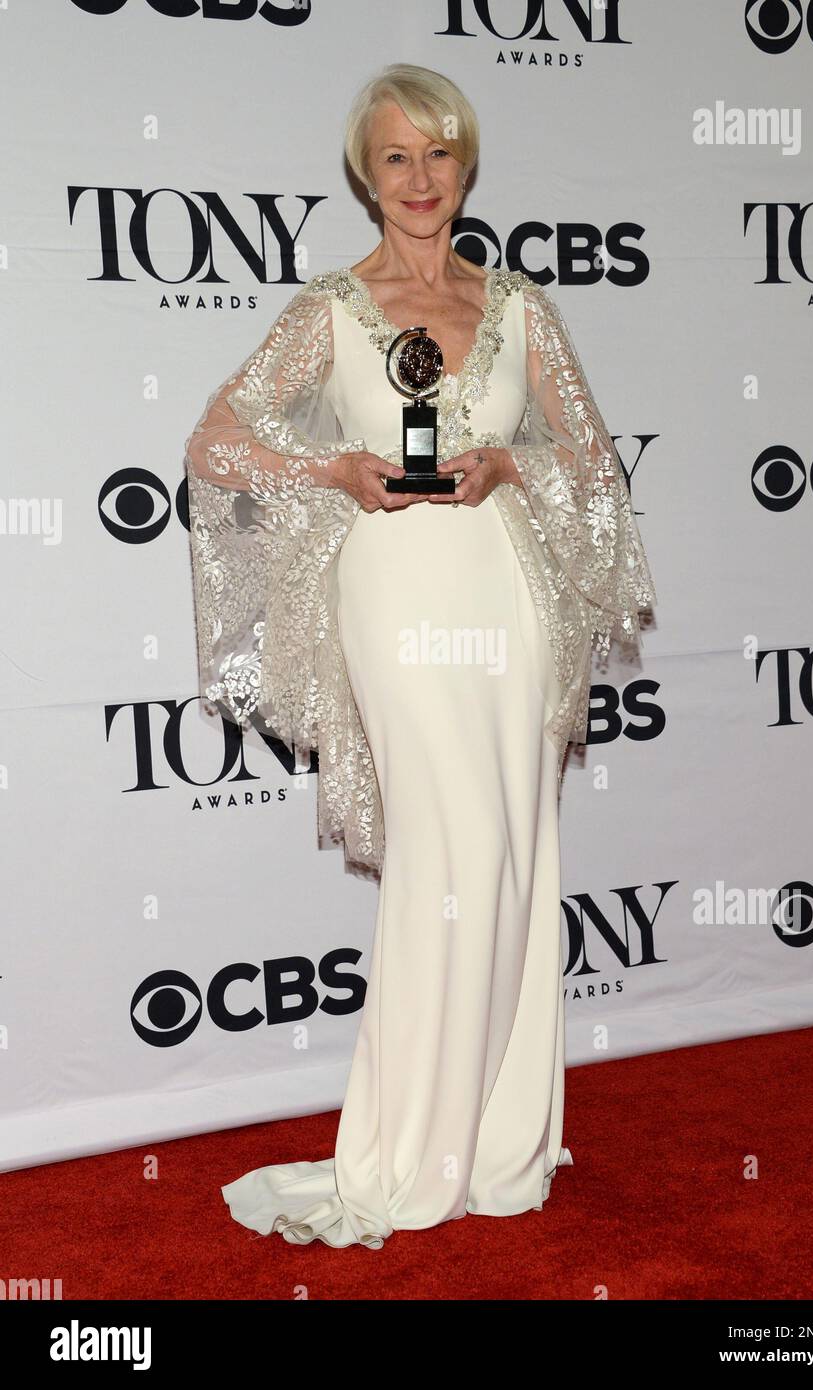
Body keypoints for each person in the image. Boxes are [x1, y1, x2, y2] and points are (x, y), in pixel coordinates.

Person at [185, 63, 656, 1250]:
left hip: (502, 587)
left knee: (509, 840)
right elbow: (217, 440)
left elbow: (592, 465)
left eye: (438, 154)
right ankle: (405, 1149)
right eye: (396, 157)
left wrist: (513, 465)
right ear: (365, 171)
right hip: (393, 586)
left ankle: (498, 1142)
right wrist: (332, 473)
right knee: (444, 844)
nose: (419, 179)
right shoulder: (330, 308)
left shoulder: (521, 308)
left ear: (465, 165)